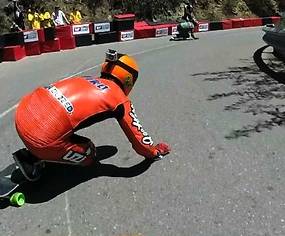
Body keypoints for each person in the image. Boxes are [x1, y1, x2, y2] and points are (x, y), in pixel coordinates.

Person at [12, 49, 171, 181]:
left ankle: (47, 150)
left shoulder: (87, 79)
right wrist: (154, 152)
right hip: (41, 139)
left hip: (22, 112)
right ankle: (35, 159)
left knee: (65, 123)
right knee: (89, 153)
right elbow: (139, 140)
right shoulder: (119, 100)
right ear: (128, 78)